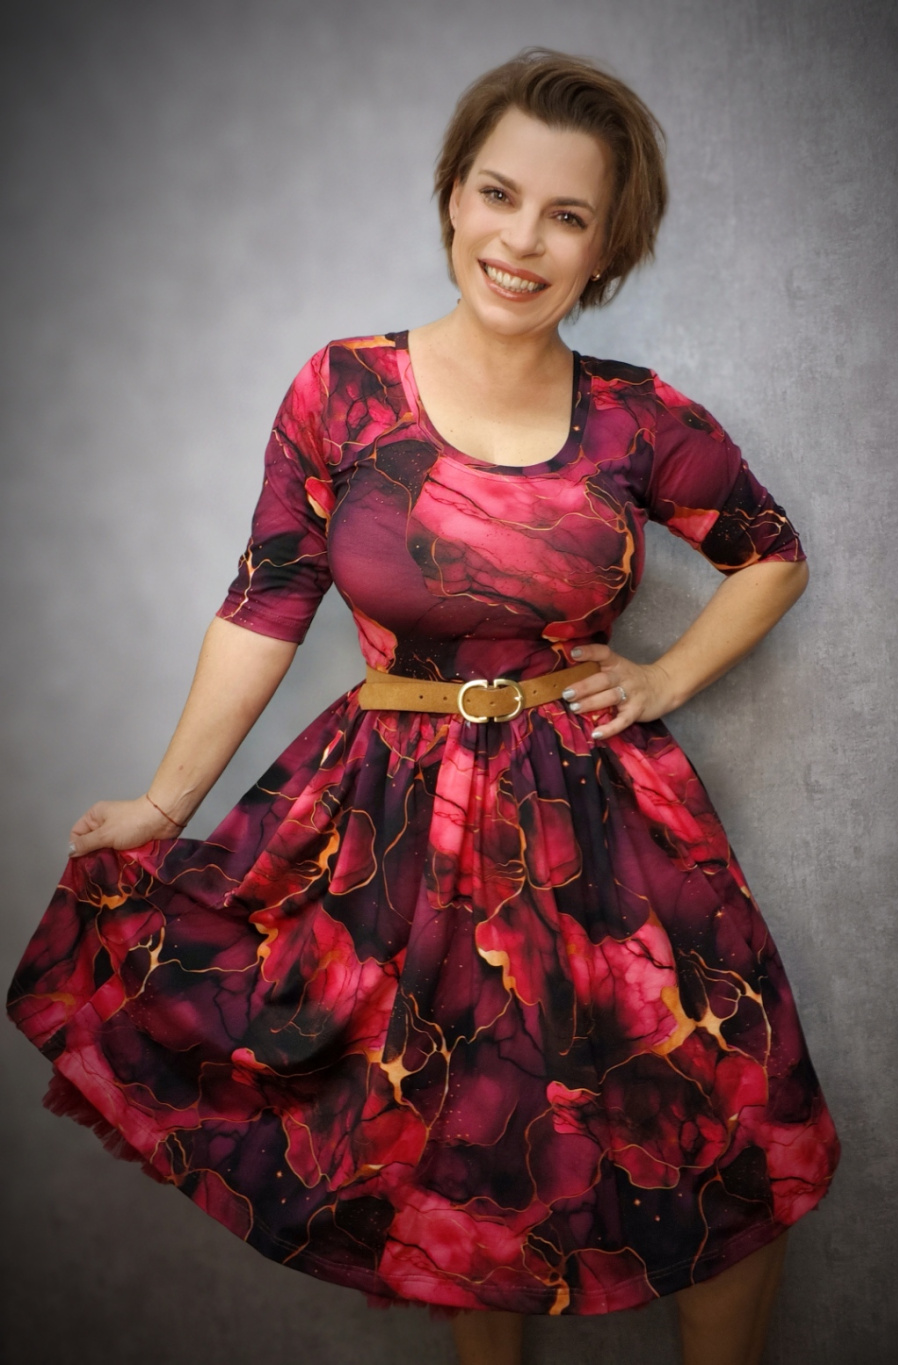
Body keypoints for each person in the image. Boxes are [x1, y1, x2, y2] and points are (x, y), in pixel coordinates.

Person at [6, 48, 840, 1365]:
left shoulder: (639, 416)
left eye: (566, 215)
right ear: (454, 194)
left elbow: (771, 554)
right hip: (394, 820)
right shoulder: (341, 391)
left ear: (606, 245)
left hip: (604, 823)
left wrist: (668, 676)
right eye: (498, 194)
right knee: (462, 1154)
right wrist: (166, 802)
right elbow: (268, 599)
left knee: (727, 1135)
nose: (521, 240)